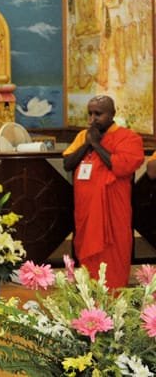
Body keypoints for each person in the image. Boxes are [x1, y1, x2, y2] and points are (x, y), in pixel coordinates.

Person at [63, 95, 143, 288]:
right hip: (86, 212)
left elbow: (120, 167)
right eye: (89, 114)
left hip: (113, 215)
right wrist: (87, 144)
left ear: (112, 114)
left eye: (98, 114)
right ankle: (88, 301)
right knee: (87, 260)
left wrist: (97, 145)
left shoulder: (128, 138)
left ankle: (114, 299)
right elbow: (68, 163)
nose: (92, 119)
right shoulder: (83, 136)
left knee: (113, 258)